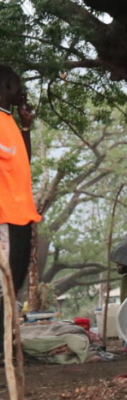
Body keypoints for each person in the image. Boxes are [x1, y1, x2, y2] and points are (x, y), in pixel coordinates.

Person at [0, 64, 42, 346]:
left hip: (19, 217)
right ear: (4, 87)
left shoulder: (9, 121)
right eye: (17, 85)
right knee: (2, 288)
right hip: (3, 218)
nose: (22, 91)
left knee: (10, 288)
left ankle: (5, 350)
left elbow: (21, 162)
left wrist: (26, 125)